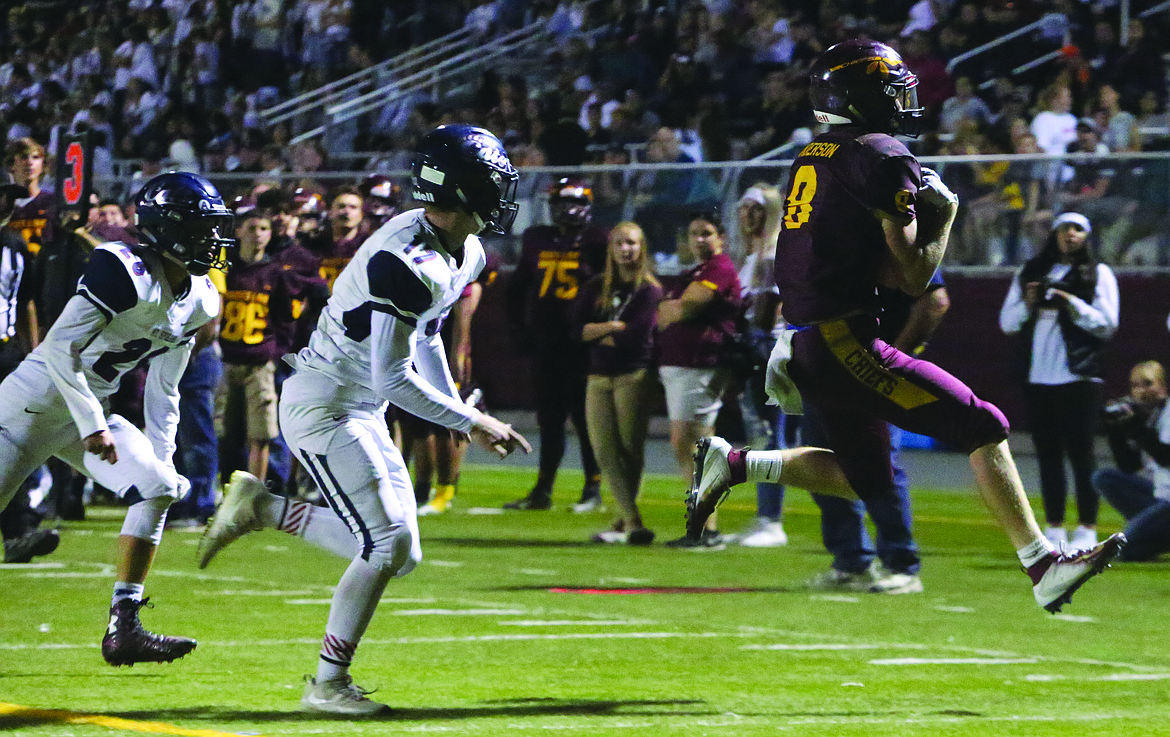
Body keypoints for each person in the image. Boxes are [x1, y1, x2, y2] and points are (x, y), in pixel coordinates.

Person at [685, 39, 1125, 614]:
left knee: (866, 479)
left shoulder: (816, 152)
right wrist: (945, 218)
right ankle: (1043, 565)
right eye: (892, 88)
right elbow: (913, 276)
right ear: (862, 95)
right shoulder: (882, 153)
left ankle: (738, 463)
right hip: (844, 336)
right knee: (983, 423)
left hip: (806, 337)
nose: (903, 99)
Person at [197, 125, 531, 714]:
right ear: (460, 189)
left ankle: (266, 508)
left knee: (403, 554)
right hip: (323, 406)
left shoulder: (463, 249)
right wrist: (474, 421)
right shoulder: (406, 261)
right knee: (386, 544)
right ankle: (326, 684)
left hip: (358, 407)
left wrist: (454, 405)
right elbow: (391, 377)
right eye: (491, 183)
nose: (501, 196)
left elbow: (425, 337)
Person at [0, 171, 235, 663]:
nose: (211, 239)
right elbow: (61, 350)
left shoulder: (201, 297)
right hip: (30, 407)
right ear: (166, 229)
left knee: (161, 486)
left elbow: (165, 390)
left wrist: (163, 457)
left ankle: (123, 626)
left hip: (89, 418)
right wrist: (92, 423)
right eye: (199, 228)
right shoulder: (121, 268)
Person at [805, 275, 949, 594]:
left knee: (878, 465)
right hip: (822, 365)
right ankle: (852, 561)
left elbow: (935, 301)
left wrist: (893, 356)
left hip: (866, 367)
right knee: (820, 463)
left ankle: (900, 563)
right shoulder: (823, 242)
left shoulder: (888, 237)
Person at [1000, 212, 1120, 551]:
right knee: (1047, 453)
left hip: (1079, 373)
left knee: (1082, 453)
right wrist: (1030, 302)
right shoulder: (1030, 272)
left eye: (1078, 229)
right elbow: (1008, 322)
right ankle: (1054, 526)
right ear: (1053, 234)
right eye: (1064, 228)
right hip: (1037, 375)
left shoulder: (1098, 274)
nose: (1070, 235)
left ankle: (1086, 526)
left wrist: (1071, 302)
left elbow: (1107, 324)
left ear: (1087, 236)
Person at [503, 177, 606, 512]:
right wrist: (519, 326)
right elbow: (517, 286)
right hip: (547, 341)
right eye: (558, 203)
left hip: (582, 343)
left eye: (571, 202)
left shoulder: (597, 240)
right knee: (549, 417)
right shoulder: (538, 238)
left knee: (584, 416)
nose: (565, 210)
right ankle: (543, 488)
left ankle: (593, 485)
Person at [658, 209, 742, 549]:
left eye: (707, 233)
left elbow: (685, 308)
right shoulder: (694, 270)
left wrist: (673, 307)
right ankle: (704, 526)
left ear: (721, 237)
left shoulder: (719, 268)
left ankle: (707, 528)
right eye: (694, 234)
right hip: (684, 364)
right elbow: (666, 311)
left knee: (695, 446)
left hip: (701, 364)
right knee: (689, 445)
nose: (700, 239)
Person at [575, 221, 662, 545]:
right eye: (620, 243)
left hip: (634, 375)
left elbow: (636, 338)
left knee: (629, 449)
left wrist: (600, 331)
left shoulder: (649, 290)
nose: (627, 249)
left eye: (633, 243)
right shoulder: (597, 286)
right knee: (604, 450)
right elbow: (576, 329)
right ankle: (632, 521)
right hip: (598, 377)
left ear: (642, 249)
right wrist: (611, 326)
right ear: (611, 249)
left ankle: (625, 520)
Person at [0, 174, 58, 563]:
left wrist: (33, 352)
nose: (7, 204)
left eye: (10, 197)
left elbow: (27, 303)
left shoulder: (16, 244)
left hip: (6, 350)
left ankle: (18, 532)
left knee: (11, 441)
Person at [730, 185, 788, 548]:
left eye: (757, 209)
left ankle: (772, 520)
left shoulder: (773, 253)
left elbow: (767, 314)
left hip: (772, 352)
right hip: (759, 350)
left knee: (771, 437)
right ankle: (765, 515)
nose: (749, 215)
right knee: (762, 436)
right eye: (745, 208)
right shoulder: (751, 255)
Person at [1091, 360, 1170, 561]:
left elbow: (1165, 456)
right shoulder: (1148, 415)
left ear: (1163, 386)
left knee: (1122, 549)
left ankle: (1152, 534)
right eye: (1135, 386)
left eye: (1148, 383)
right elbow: (1129, 466)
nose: (1142, 391)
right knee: (1104, 478)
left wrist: (1135, 427)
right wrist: (1115, 429)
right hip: (1161, 499)